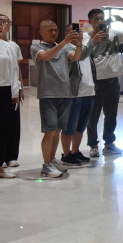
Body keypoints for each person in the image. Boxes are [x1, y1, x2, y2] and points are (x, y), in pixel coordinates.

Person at [31, 20, 84, 177]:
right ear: (41, 32)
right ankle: (46, 165)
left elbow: (76, 57)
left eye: (55, 30)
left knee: (57, 130)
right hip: (48, 94)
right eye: (50, 30)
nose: (54, 32)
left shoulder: (65, 47)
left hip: (65, 93)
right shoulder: (37, 47)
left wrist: (79, 44)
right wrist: (64, 42)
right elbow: (46, 56)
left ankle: (52, 160)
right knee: (50, 130)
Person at [85, 9, 123, 157]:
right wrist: (95, 33)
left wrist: (121, 19)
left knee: (111, 115)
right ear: (90, 21)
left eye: (102, 18)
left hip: (113, 81)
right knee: (93, 116)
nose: (100, 21)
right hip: (96, 81)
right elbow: (84, 53)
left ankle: (109, 143)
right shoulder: (87, 37)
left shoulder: (114, 33)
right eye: (96, 19)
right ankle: (93, 145)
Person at [60, 24, 101, 166]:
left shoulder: (85, 48)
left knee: (81, 126)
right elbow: (77, 57)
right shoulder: (66, 48)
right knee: (69, 126)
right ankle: (66, 155)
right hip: (74, 94)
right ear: (67, 34)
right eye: (75, 32)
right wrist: (92, 42)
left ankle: (75, 151)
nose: (79, 34)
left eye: (80, 32)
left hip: (89, 91)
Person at [0, 14, 22, 177]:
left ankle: (10, 156)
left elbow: (16, 68)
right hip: (1, 87)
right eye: (1, 22)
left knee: (9, 126)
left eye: (7, 22)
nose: (5, 24)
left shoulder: (13, 45)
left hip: (10, 88)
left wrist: (19, 88)